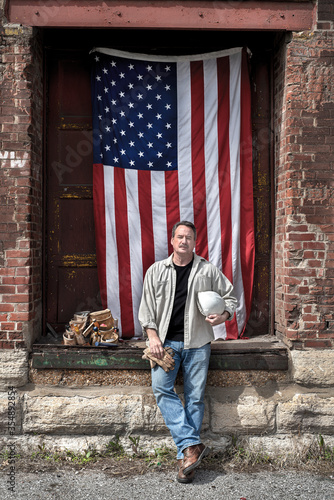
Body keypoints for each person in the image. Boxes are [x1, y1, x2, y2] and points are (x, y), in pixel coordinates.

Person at [138, 221, 237, 483]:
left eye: (189, 237)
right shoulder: (156, 271)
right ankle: (192, 445)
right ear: (172, 241)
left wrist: (223, 315)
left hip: (198, 344)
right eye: (180, 237)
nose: (184, 241)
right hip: (165, 344)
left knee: (194, 399)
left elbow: (231, 297)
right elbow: (146, 307)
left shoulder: (207, 270)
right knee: (161, 388)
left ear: (195, 242)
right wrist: (152, 336)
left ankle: (186, 462)